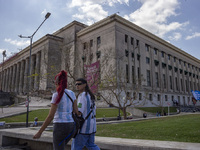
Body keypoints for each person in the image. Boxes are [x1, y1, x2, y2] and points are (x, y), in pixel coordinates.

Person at [33, 70, 78, 150]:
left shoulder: (56, 95)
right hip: (71, 126)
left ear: (56, 82)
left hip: (60, 126)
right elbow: (76, 111)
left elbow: (50, 116)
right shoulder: (72, 93)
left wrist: (40, 132)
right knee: (62, 146)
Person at [71, 78, 100, 150]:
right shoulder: (90, 95)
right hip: (92, 126)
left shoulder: (82, 95)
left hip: (83, 127)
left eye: (79, 84)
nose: (77, 86)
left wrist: (72, 108)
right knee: (91, 145)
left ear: (85, 84)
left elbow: (79, 112)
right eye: (76, 84)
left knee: (76, 147)